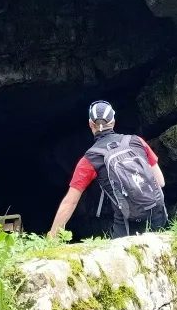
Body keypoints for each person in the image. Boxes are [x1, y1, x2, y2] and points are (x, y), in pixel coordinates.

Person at [47, 100, 167, 239]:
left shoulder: (90, 158)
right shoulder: (136, 141)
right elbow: (161, 182)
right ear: (113, 122)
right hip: (157, 215)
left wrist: (53, 235)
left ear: (90, 124)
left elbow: (70, 202)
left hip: (127, 226)